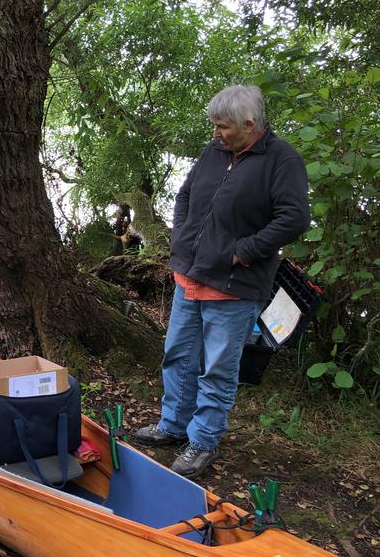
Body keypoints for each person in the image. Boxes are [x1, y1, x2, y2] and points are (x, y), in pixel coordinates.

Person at [134, 85, 309, 478]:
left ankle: (203, 441)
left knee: (217, 369)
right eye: (214, 125)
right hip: (189, 276)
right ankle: (173, 425)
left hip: (233, 287)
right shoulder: (214, 152)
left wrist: (243, 251)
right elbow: (185, 195)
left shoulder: (282, 160)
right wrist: (180, 238)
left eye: (223, 127)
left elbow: (294, 218)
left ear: (249, 125)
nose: (216, 133)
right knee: (178, 355)